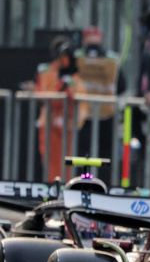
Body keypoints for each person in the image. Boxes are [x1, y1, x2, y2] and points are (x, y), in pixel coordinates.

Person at [27, 36, 81, 184]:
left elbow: (79, 94)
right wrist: (62, 83)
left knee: (68, 162)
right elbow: (45, 95)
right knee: (51, 163)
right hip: (49, 124)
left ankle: (67, 191)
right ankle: (54, 191)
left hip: (67, 124)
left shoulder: (75, 73)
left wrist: (68, 79)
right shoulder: (46, 71)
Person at [74, 25, 124, 183]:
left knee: (83, 152)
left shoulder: (76, 58)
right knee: (105, 153)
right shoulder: (112, 59)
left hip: (83, 112)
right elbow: (122, 85)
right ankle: (104, 185)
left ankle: (82, 181)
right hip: (105, 111)